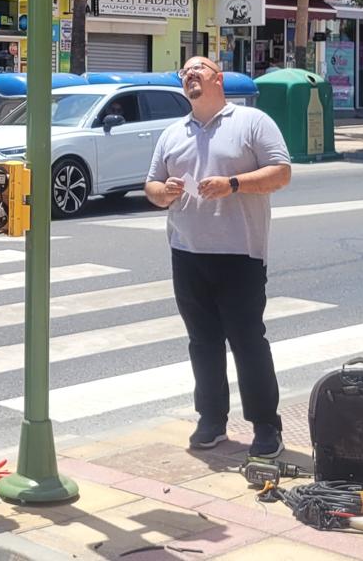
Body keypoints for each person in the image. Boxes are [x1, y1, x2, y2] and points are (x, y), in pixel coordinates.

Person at [145, 56, 292, 458]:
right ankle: (211, 420)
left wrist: (233, 184)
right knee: (202, 342)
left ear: (218, 79)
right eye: (184, 72)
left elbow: (281, 173)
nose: (190, 74)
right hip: (187, 252)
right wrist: (164, 192)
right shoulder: (173, 132)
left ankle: (266, 425)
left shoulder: (251, 122)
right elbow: (152, 185)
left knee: (247, 341)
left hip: (240, 253)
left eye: (199, 69)